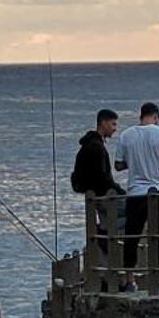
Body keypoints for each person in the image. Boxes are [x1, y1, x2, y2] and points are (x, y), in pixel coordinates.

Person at [111, 102, 159, 289]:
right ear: (156, 116)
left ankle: (129, 279)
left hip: (135, 192)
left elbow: (118, 165)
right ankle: (158, 279)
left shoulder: (126, 135)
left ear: (140, 116)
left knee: (131, 235)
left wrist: (134, 163)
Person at [70, 108, 123, 267]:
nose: (115, 128)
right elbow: (102, 177)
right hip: (104, 197)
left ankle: (105, 244)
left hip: (95, 196)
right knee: (135, 211)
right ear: (104, 123)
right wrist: (120, 191)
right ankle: (104, 237)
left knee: (109, 225)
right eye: (113, 124)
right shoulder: (96, 147)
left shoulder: (88, 145)